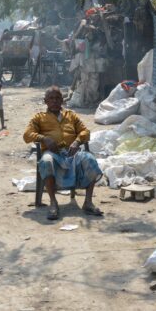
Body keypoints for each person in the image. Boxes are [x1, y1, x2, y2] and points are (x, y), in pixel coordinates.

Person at [23, 86, 103, 221]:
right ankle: (53, 203)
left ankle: (88, 202)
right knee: (46, 161)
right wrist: (44, 138)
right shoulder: (39, 118)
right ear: (45, 101)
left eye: (57, 98)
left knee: (90, 159)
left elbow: (85, 131)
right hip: (52, 153)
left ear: (62, 100)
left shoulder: (71, 115)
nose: (54, 101)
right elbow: (27, 135)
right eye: (51, 98)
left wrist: (77, 142)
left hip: (73, 153)